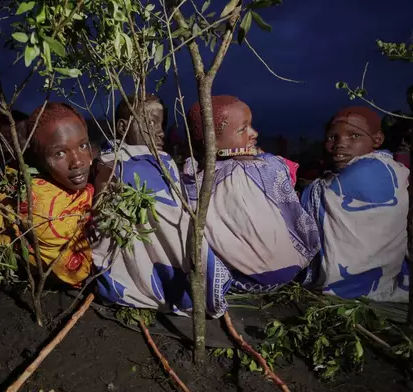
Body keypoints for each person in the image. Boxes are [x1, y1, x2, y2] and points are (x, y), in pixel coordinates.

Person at [182, 96, 320, 313]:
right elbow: (285, 172)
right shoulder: (263, 167)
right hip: (289, 271)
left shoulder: (192, 179)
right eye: (243, 130)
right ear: (213, 142)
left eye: (250, 126)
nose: (253, 133)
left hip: (244, 282)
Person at [91, 94, 205, 316]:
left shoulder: (166, 161)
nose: (161, 131)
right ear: (123, 127)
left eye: (162, 124)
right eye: (151, 123)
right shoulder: (111, 161)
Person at [301, 106, 409, 302]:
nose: (340, 144)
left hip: (362, 290)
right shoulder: (391, 167)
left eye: (354, 136)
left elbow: (311, 197)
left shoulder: (372, 168)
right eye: (332, 137)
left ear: (377, 139)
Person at [0, 102, 94, 286]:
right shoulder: (45, 214)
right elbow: (76, 273)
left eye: (82, 146)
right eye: (59, 154)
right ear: (37, 158)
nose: (77, 162)